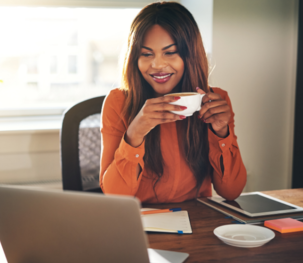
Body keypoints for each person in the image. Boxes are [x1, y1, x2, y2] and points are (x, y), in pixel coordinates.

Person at [99, 2, 246, 203]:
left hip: (195, 222)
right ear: (135, 58)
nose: (157, 65)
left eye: (170, 52)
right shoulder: (118, 102)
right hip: (140, 223)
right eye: (146, 54)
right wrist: (135, 134)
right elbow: (114, 196)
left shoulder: (215, 101)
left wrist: (221, 132)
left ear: (190, 55)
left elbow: (231, 191)